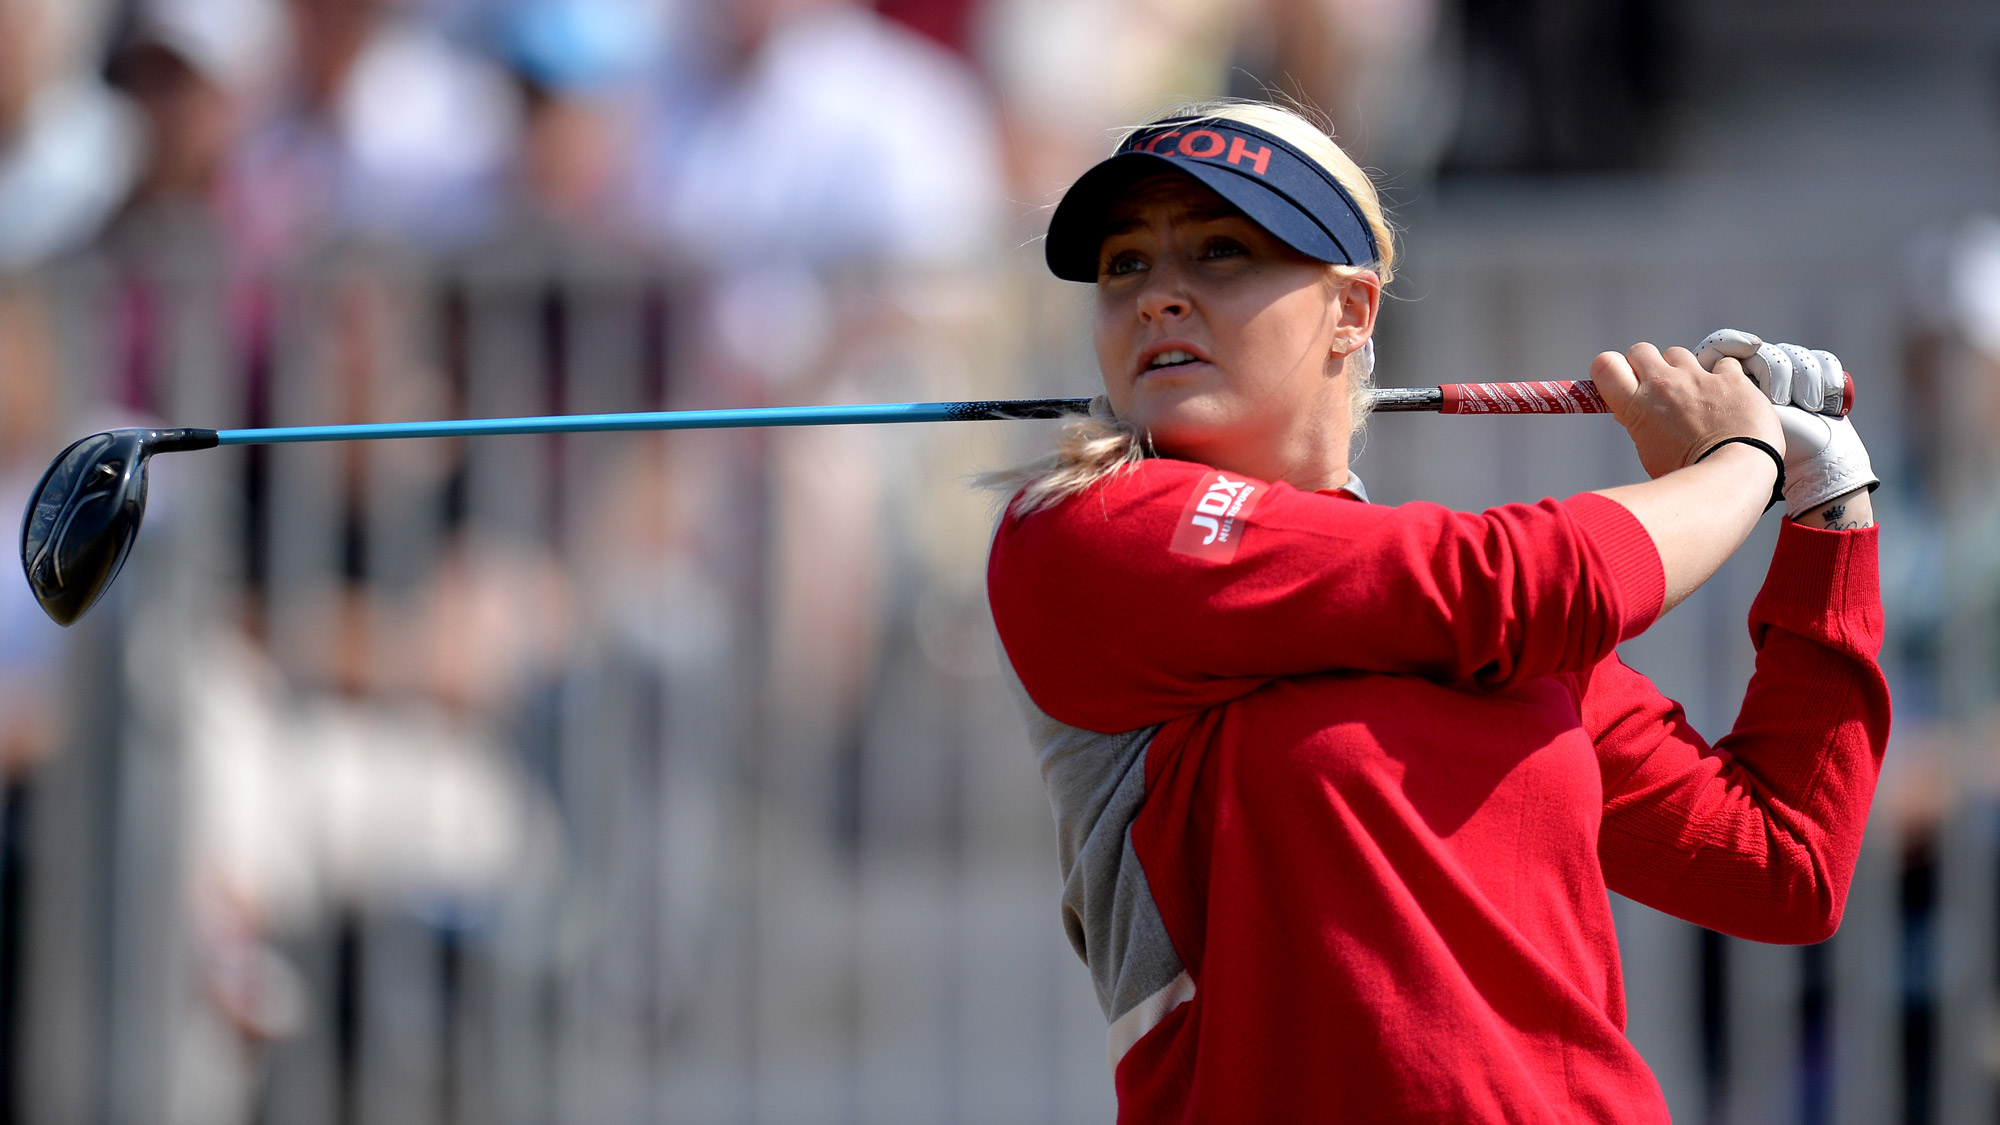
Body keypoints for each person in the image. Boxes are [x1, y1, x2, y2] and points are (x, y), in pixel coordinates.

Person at [984, 99, 1890, 1121]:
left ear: (1351, 310)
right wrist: (1741, 458)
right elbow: (1510, 583)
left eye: (1220, 250)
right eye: (1124, 266)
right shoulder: (1087, 530)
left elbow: (1780, 863)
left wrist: (1828, 504)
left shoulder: (1488, 623)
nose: (1157, 297)